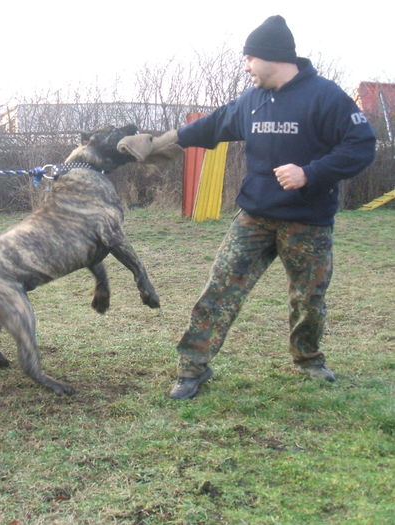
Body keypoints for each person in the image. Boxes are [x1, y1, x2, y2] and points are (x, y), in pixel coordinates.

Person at [119, 15, 376, 399]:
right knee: (219, 291)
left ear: (271, 57)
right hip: (254, 217)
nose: (246, 67)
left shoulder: (325, 97)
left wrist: (310, 173)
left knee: (309, 299)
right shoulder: (251, 101)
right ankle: (193, 368)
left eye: (249, 59)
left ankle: (308, 359)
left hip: (308, 221)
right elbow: (211, 125)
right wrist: (159, 141)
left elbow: (361, 145)